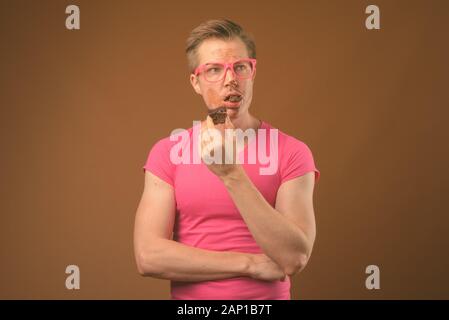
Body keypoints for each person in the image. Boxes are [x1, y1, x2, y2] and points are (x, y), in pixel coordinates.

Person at [133, 19, 320, 300]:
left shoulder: (292, 152)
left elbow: (293, 257)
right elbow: (148, 256)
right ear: (196, 82)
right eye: (214, 70)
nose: (230, 79)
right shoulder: (168, 152)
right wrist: (251, 264)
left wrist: (231, 173)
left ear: (252, 73)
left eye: (240, 67)